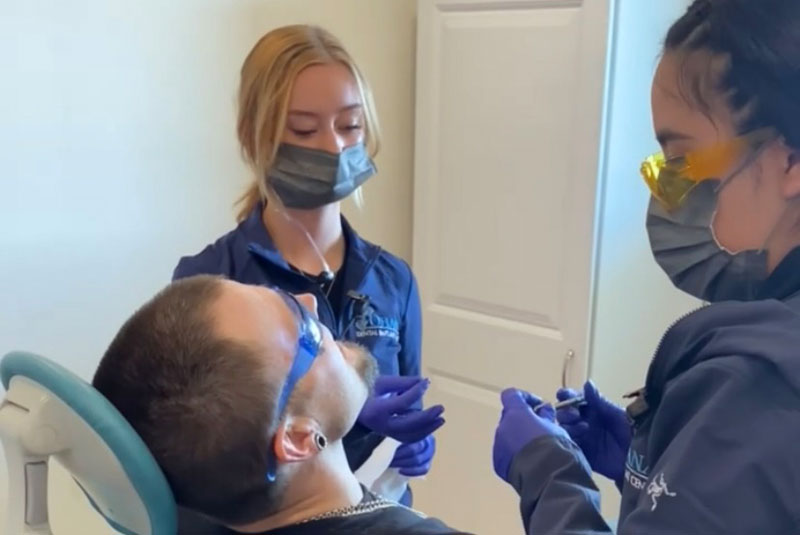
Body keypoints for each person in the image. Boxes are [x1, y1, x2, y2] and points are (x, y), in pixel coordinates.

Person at [492, 0, 800, 533]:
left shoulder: (757, 384)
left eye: (681, 157)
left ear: (790, 161)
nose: (669, 189)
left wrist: (548, 472)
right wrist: (654, 462)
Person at [171, 24, 442, 510]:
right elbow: (196, 456)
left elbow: (410, 408)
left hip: (377, 514)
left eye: (349, 125)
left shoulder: (393, 281)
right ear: (252, 135)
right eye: (302, 129)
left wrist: (415, 445)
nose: (334, 147)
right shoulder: (211, 281)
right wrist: (346, 412)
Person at [92, 275, 465, 535]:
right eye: (305, 329)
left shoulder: (183, 516)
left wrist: (331, 403)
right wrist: (526, 466)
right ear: (299, 438)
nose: (310, 301)